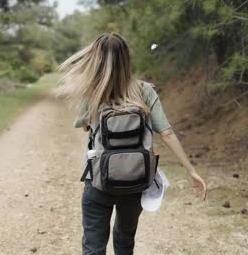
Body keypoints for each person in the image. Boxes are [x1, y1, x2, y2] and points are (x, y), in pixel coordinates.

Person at [58, 33, 207, 255]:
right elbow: (166, 132)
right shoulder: (144, 90)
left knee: (93, 245)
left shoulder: (91, 92)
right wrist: (191, 170)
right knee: (125, 240)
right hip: (136, 181)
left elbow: (85, 127)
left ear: (96, 59)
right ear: (127, 58)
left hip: (97, 181)